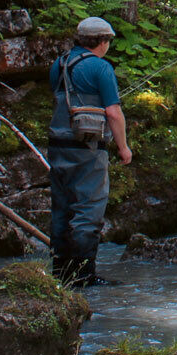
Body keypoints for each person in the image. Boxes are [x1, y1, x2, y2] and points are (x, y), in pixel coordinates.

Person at [47, 16, 133, 287]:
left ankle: (60, 274)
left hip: (57, 146)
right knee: (88, 210)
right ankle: (84, 276)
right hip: (88, 149)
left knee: (62, 209)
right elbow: (113, 113)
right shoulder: (101, 68)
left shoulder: (58, 65)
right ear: (102, 41)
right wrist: (123, 147)